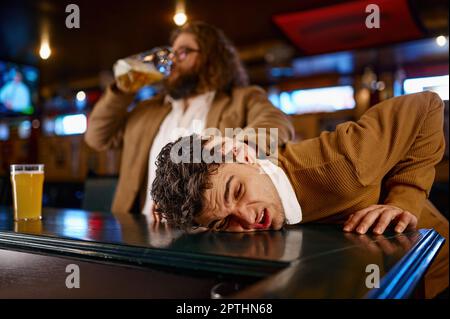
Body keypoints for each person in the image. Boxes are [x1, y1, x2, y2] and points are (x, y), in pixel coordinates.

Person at [151, 91, 448, 298]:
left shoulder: (346, 163)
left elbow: (427, 106)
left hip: (434, 270)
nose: (246, 218)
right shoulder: (234, 203)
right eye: (223, 222)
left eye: (237, 191)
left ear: (246, 158)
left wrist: (404, 199)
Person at [84, 21, 294, 216]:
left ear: (211, 57)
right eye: (172, 54)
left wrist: (242, 148)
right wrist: (122, 90)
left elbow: (276, 122)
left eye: (183, 53)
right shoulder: (147, 110)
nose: (173, 60)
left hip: (208, 231)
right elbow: (97, 138)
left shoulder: (242, 98)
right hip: (142, 227)